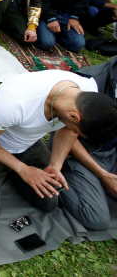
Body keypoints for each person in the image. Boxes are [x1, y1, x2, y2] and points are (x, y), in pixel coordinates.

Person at [0, 70, 117, 221]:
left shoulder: (87, 93)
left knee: (49, 203)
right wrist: (23, 169)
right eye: (78, 130)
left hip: (27, 141)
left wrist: (55, 165)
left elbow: (69, 131)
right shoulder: (15, 102)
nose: (75, 133)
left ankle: (9, 170)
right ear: (74, 116)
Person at [55, 58, 117, 230]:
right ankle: (53, 176)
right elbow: (65, 132)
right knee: (96, 219)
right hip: (82, 152)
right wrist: (103, 174)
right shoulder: (89, 83)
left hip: (112, 152)